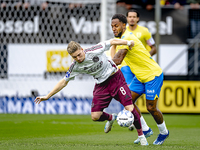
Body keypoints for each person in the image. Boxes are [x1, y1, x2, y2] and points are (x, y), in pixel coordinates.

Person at [34, 38, 149, 146]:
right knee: (95, 116)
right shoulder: (75, 66)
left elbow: (112, 41)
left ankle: (141, 136)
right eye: (75, 57)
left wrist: (128, 42)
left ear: (82, 50)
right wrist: (47, 96)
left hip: (116, 79)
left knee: (130, 107)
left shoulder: (95, 50)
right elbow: (63, 82)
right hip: (101, 85)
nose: (78, 58)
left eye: (79, 54)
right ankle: (111, 118)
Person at [110, 14, 169, 145]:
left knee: (151, 108)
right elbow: (114, 59)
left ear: (124, 25)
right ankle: (146, 130)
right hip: (140, 76)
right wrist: (113, 44)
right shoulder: (120, 40)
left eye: (117, 26)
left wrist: (100, 63)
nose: (114, 28)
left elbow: (117, 61)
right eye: (112, 26)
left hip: (152, 75)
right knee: (128, 102)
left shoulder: (128, 38)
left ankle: (164, 132)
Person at [125, 9, 156, 133]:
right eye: (130, 16)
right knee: (127, 96)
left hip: (142, 68)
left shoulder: (144, 31)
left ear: (138, 19)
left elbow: (153, 47)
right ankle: (138, 122)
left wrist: (145, 57)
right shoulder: (124, 32)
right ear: (127, 18)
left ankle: (135, 120)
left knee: (142, 100)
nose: (132, 19)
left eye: (134, 17)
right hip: (127, 67)